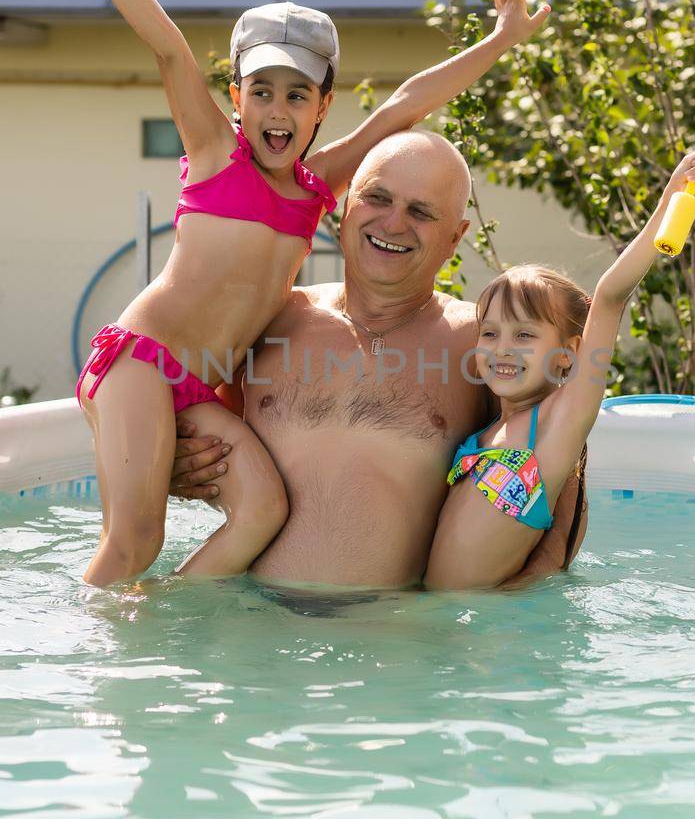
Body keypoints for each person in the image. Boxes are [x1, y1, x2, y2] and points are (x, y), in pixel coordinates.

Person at [37, 0, 551, 585]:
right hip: (140, 362)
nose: (278, 110)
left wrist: (500, 40)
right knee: (134, 539)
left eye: (298, 95)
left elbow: (404, 105)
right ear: (237, 97)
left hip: (192, 389)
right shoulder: (216, 155)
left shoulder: (316, 190)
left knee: (261, 510)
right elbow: (168, 48)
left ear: (323, 108)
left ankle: (171, 616)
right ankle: (94, 652)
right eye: (262, 91)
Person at [169, 131, 586, 589]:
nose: (393, 223)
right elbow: (195, 438)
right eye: (378, 198)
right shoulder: (270, 320)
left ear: (455, 237)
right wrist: (178, 470)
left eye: (421, 211)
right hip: (251, 620)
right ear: (347, 205)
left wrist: (538, 581)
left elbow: (556, 461)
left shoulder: (480, 344)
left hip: (394, 637)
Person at [423, 136, 695, 589]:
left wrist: (674, 195)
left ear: (567, 354)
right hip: (443, 626)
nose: (503, 348)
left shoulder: (557, 423)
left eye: (525, 335)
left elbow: (610, 295)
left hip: (486, 639)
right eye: (490, 333)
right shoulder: (486, 431)